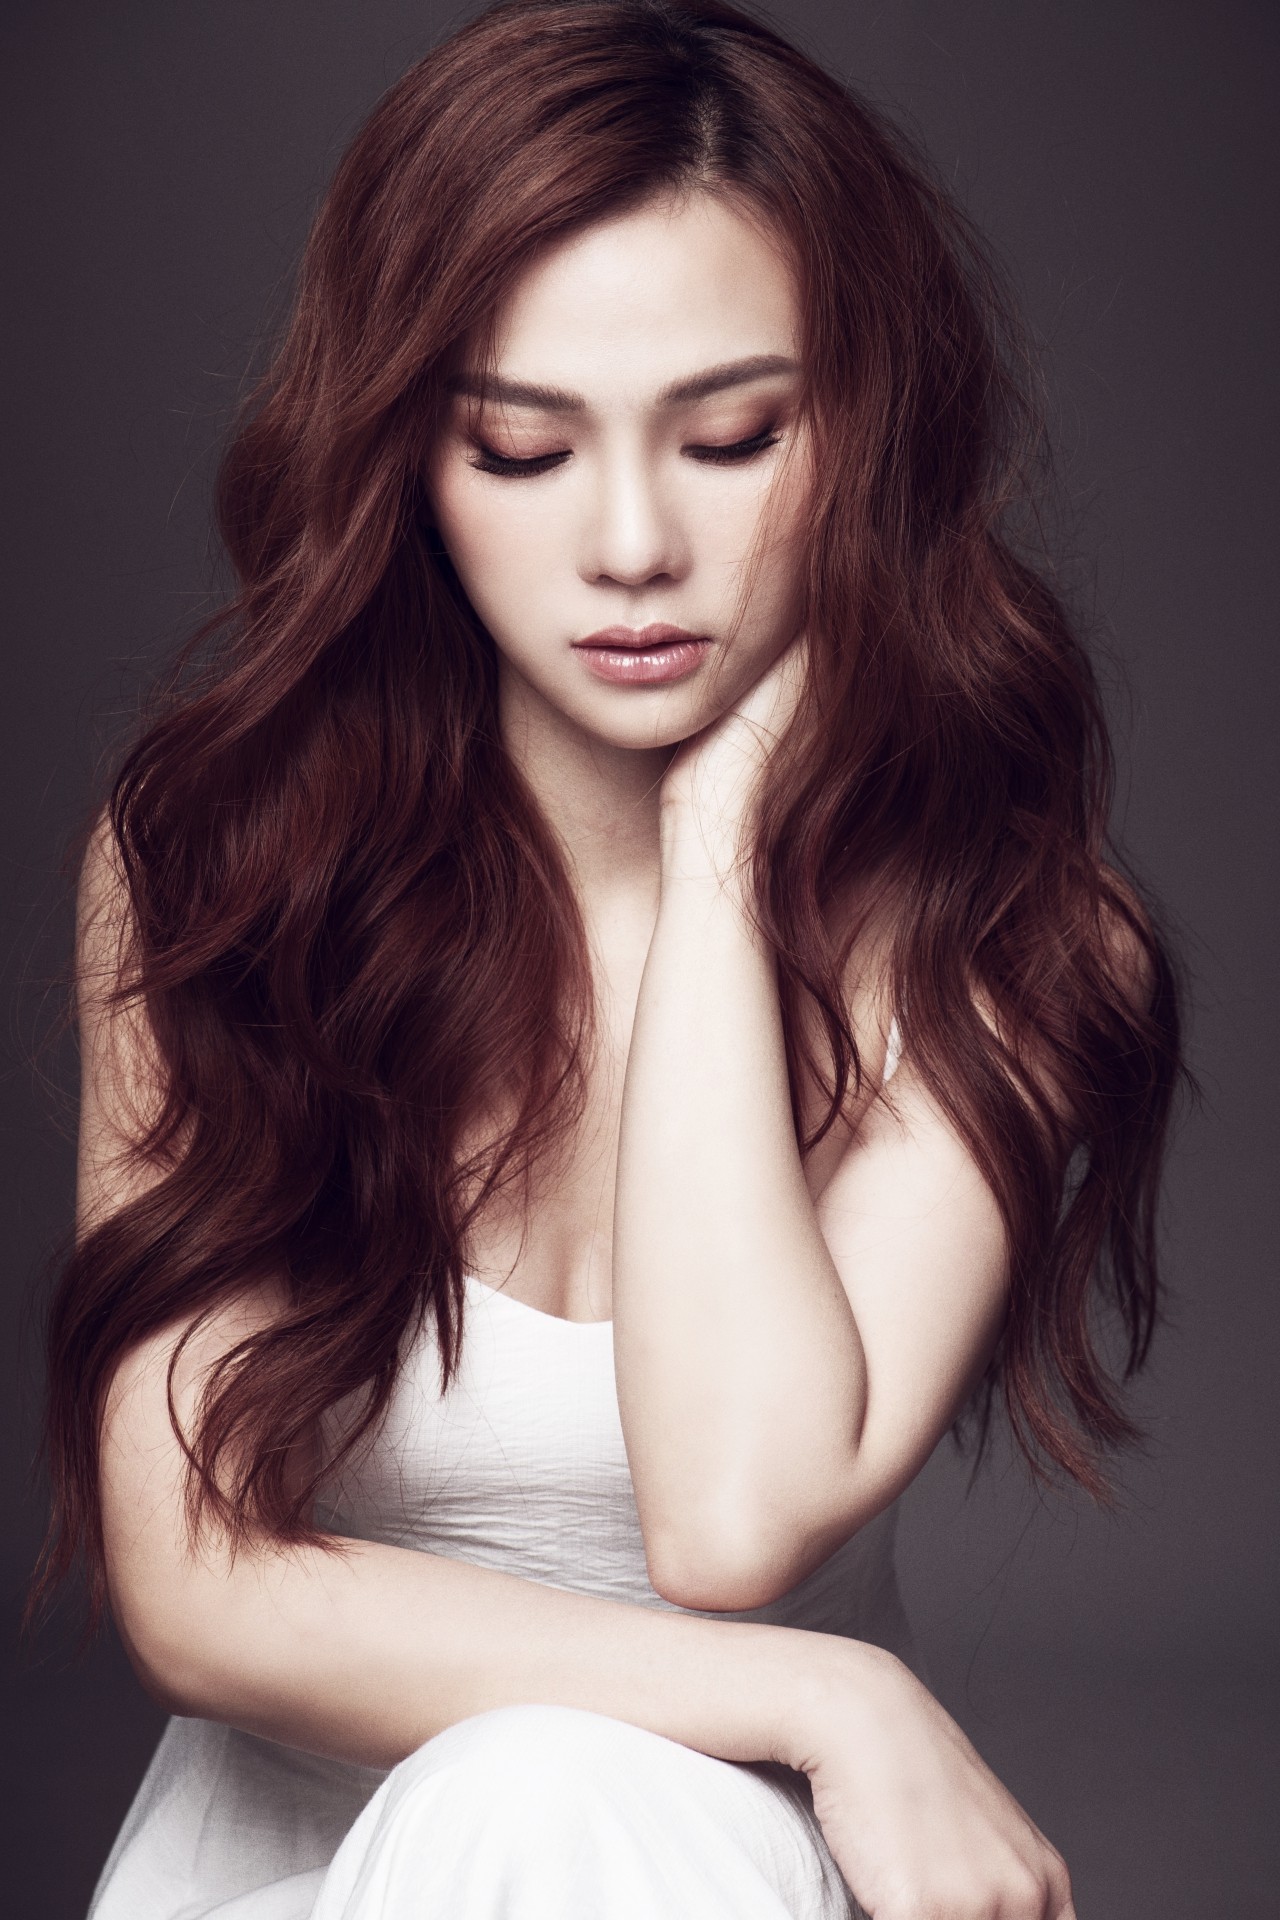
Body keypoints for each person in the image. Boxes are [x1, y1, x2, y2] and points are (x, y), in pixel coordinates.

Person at [33, 1, 1183, 1914]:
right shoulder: (219, 876)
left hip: (694, 1872)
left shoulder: (1012, 943)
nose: (634, 543)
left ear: (867, 432)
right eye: (522, 448)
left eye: (733, 438)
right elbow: (195, 1586)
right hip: (288, 1885)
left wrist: (721, 841)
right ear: (410, 461)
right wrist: (832, 1698)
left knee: (555, 1800)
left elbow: (730, 1519)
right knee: (528, 1792)